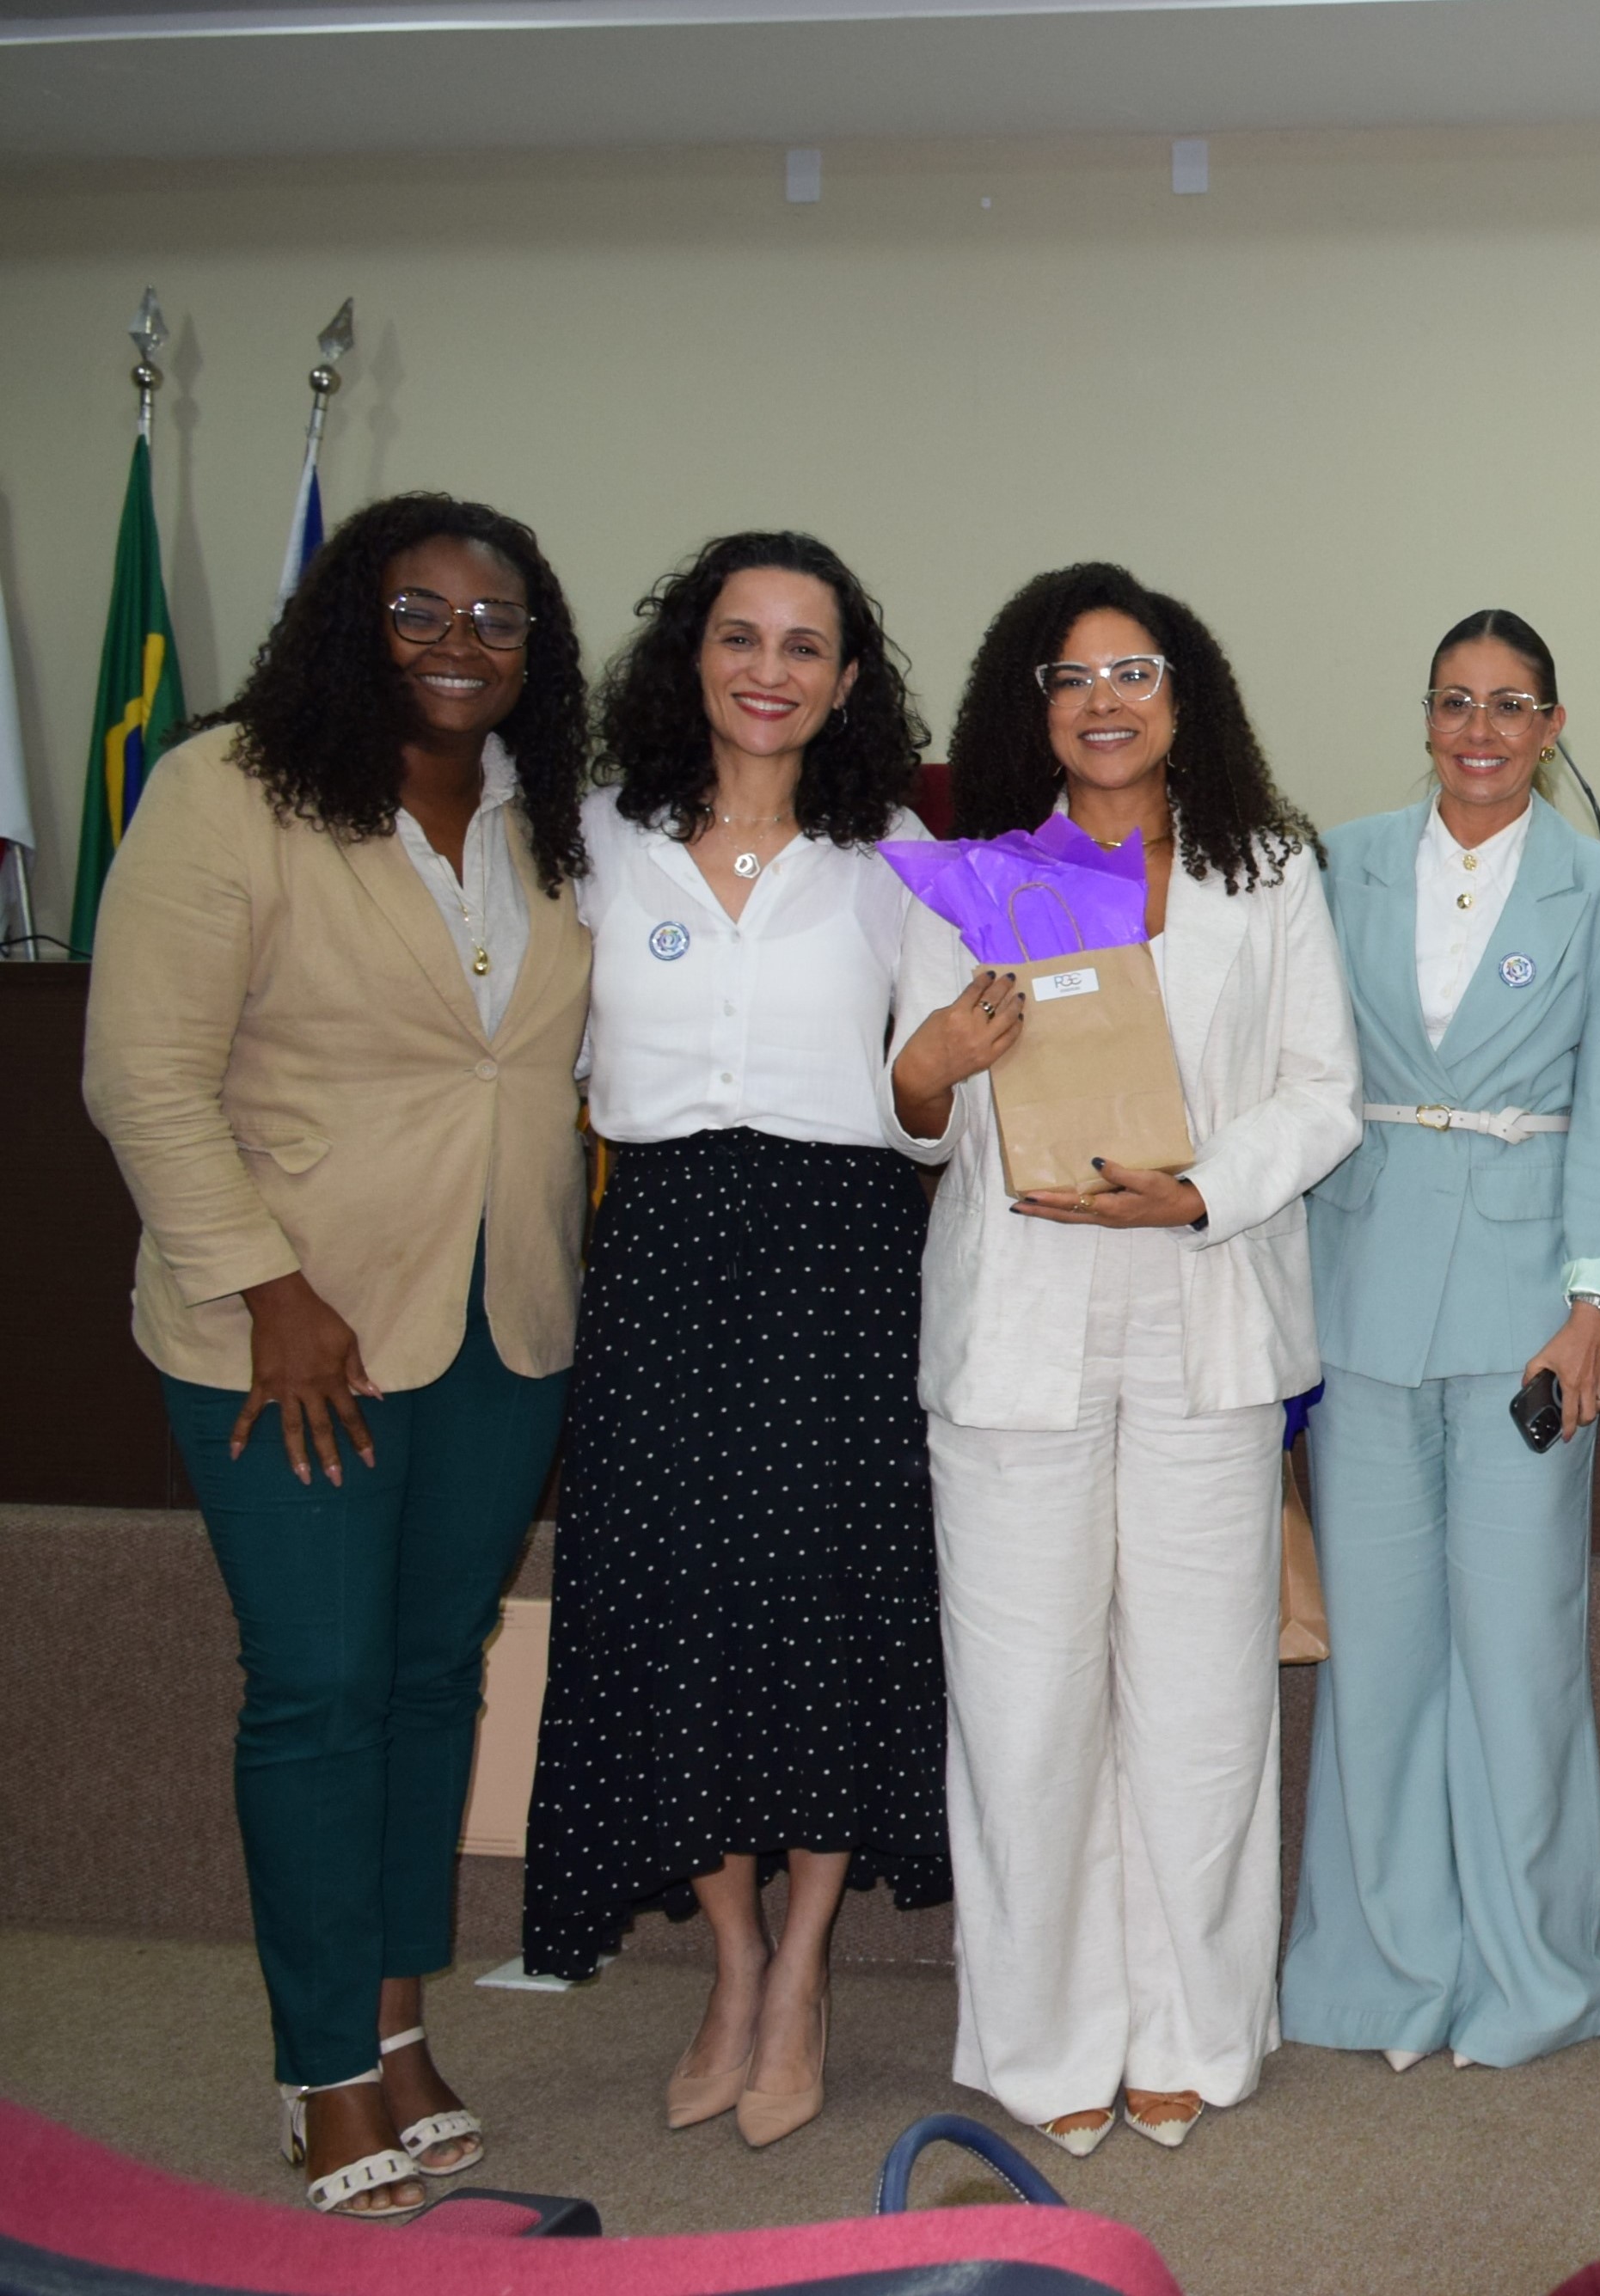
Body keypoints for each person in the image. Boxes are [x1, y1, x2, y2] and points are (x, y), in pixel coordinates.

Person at [82, 494, 593, 2218]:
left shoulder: (555, 820)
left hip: (501, 1320)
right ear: (348, 621)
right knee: (316, 1686)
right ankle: (318, 2069)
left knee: (435, 1669)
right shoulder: (230, 791)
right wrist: (262, 1282)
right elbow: (140, 1070)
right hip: (290, 1331)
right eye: (420, 610)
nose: (462, 643)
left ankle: (396, 2019)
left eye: (497, 618)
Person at [897, 564, 1358, 2155]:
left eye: (1136, 671)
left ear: (1187, 697)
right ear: (1029, 706)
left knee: (1205, 1692)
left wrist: (1203, 1189)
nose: (1106, 700)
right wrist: (940, 1062)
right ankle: (1045, 2043)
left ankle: (1194, 2028)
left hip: (1204, 1304)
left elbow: (1323, 1090)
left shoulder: (1268, 867)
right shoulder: (963, 876)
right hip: (1016, 1319)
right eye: (1072, 675)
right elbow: (908, 1108)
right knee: (1025, 1700)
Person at [520, 532, 951, 2148]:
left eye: (805, 645)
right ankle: (731, 1954)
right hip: (664, 1260)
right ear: (690, 658)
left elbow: (930, 1097)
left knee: (829, 1612)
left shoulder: (893, 850)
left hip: (841, 1263)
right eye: (740, 636)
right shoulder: (592, 839)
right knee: (671, 1608)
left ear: (848, 682)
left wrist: (964, 1062)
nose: (768, 668)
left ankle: (806, 1973)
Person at [1279, 609, 1600, 2071]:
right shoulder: (1340, 862)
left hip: (1523, 1315)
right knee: (1376, 1654)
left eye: (1510, 705)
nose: (1479, 730)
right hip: (1359, 1286)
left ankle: (1535, 1977)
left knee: (1516, 1652)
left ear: (1554, 727)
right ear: (1424, 719)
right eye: (1453, 703)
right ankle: (1378, 1976)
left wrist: (1593, 1304)